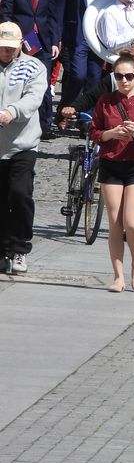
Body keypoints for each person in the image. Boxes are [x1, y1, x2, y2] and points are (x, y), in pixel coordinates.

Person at [90, 54, 134, 292]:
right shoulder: (105, 101)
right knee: (114, 222)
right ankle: (118, 276)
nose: (123, 80)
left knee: (131, 221)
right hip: (111, 163)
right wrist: (111, 133)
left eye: (128, 76)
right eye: (118, 76)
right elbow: (95, 131)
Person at [0, 22, 46, 276]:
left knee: (19, 194)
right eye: (2, 48)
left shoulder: (33, 66)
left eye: (10, 48)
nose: (6, 52)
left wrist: (11, 112)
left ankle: (18, 249)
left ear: (20, 44)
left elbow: (33, 97)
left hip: (23, 145)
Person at [1, 0, 62, 134]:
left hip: (42, 41)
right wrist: (13, 37)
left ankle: (45, 125)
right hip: (21, 41)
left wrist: (54, 41)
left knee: (41, 81)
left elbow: (52, 16)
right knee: (19, 81)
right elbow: (5, 14)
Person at [58, 0, 109, 107]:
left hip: (100, 37)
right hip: (79, 36)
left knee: (94, 78)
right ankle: (65, 106)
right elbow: (60, 9)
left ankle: (86, 119)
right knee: (78, 75)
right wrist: (58, 37)